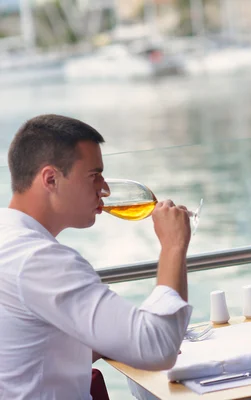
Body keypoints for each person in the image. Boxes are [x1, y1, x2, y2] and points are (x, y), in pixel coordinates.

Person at [0, 114, 193, 399]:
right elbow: (158, 348)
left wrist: (114, 337)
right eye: (94, 176)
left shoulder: (9, 239)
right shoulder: (40, 260)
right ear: (51, 179)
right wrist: (174, 246)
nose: (105, 189)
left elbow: (26, 349)